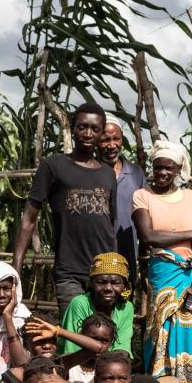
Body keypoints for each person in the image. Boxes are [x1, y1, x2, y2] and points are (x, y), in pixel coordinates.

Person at [12, 103, 117, 314]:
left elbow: (110, 224)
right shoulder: (54, 166)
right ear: (72, 128)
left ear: (101, 133)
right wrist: (15, 270)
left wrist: (115, 270)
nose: (88, 133)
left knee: (103, 335)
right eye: (82, 127)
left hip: (104, 272)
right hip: (70, 270)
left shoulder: (108, 174)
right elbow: (29, 219)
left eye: (95, 129)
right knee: (74, 335)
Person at [134, 139, 192, 383]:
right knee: (160, 328)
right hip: (163, 271)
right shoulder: (142, 196)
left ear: (179, 168)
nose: (162, 173)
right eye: (158, 167)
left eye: (168, 168)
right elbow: (149, 236)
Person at [57, 253, 135, 360]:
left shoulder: (126, 307)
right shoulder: (80, 303)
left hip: (109, 366)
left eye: (115, 283)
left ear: (124, 286)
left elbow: (122, 349)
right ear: (92, 284)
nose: (108, 288)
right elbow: (72, 350)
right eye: (101, 282)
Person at [98, 120, 146, 278]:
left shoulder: (135, 172)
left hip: (127, 255)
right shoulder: (90, 171)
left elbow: (145, 214)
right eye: (105, 140)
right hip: (96, 254)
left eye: (116, 139)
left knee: (125, 298)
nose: (112, 145)